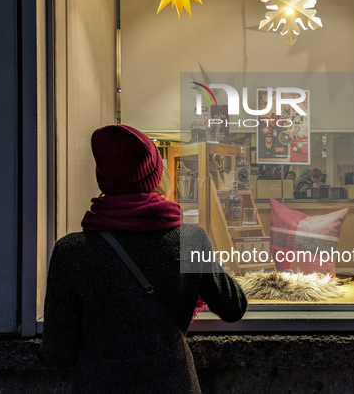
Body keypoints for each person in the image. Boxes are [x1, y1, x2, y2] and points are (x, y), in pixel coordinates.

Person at [42, 124, 247, 394]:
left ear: (103, 177)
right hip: (173, 384)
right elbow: (234, 307)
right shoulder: (189, 240)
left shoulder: (70, 251)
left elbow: (59, 353)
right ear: (155, 175)